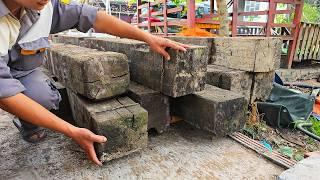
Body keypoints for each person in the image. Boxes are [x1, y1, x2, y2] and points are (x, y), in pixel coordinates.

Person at [0, 0, 188, 166]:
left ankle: (28, 121)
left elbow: (93, 17)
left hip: (22, 71)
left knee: (42, 97)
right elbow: (4, 93)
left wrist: (147, 37)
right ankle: (30, 119)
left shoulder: (47, 8)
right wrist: (71, 131)